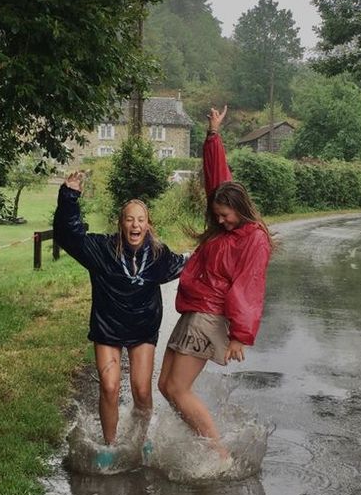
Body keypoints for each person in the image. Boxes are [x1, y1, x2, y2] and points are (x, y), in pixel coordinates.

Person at [158, 105, 274, 461]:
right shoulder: (228, 219)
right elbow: (217, 180)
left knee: (178, 387)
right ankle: (203, 442)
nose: (220, 221)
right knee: (165, 387)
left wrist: (240, 334)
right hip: (194, 311)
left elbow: (248, 288)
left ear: (239, 208)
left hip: (209, 316)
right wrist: (212, 135)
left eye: (224, 216)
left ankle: (218, 453)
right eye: (218, 214)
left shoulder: (253, 238)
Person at [54, 171, 187, 449]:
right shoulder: (102, 249)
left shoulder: (159, 255)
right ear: (121, 223)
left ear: (148, 225)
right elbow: (69, 236)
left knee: (141, 390)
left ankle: (140, 440)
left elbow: (192, 265)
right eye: (129, 219)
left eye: (140, 219)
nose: (135, 225)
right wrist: (69, 196)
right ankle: (111, 445)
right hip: (108, 328)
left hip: (142, 329)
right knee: (110, 387)